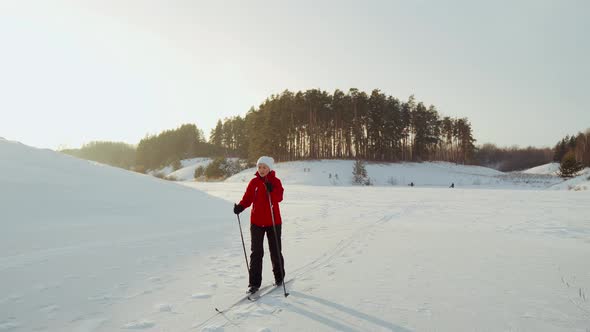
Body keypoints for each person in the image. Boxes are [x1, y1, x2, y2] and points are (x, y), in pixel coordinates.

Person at [233, 156, 285, 294]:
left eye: (264, 167)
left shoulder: (275, 181)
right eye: (259, 167)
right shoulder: (254, 182)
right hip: (256, 222)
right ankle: (254, 284)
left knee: (275, 251)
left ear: (269, 168)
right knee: (256, 252)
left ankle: (279, 278)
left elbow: (279, 197)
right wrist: (240, 207)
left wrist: (271, 190)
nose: (261, 170)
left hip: (273, 222)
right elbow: (247, 198)